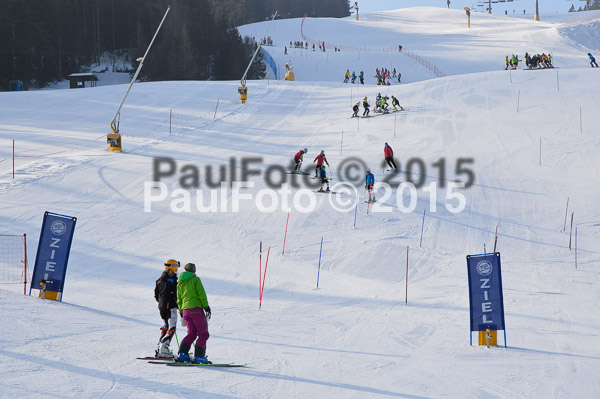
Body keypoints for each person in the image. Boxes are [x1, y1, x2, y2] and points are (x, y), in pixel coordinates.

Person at [177, 263, 212, 364]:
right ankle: (199, 356)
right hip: (196, 309)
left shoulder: (180, 282)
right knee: (203, 333)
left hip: (185, 311)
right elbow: (201, 294)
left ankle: (183, 354)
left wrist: (181, 312)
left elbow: (179, 299)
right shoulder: (195, 279)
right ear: (194, 271)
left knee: (191, 333)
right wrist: (206, 307)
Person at [154, 259, 180, 358]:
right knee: (172, 327)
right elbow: (176, 295)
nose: (177, 270)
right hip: (170, 306)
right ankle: (163, 348)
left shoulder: (159, 280)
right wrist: (178, 306)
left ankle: (160, 347)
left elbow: (156, 295)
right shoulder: (173, 280)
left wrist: (162, 302)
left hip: (161, 306)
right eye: (176, 267)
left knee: (165, 326)